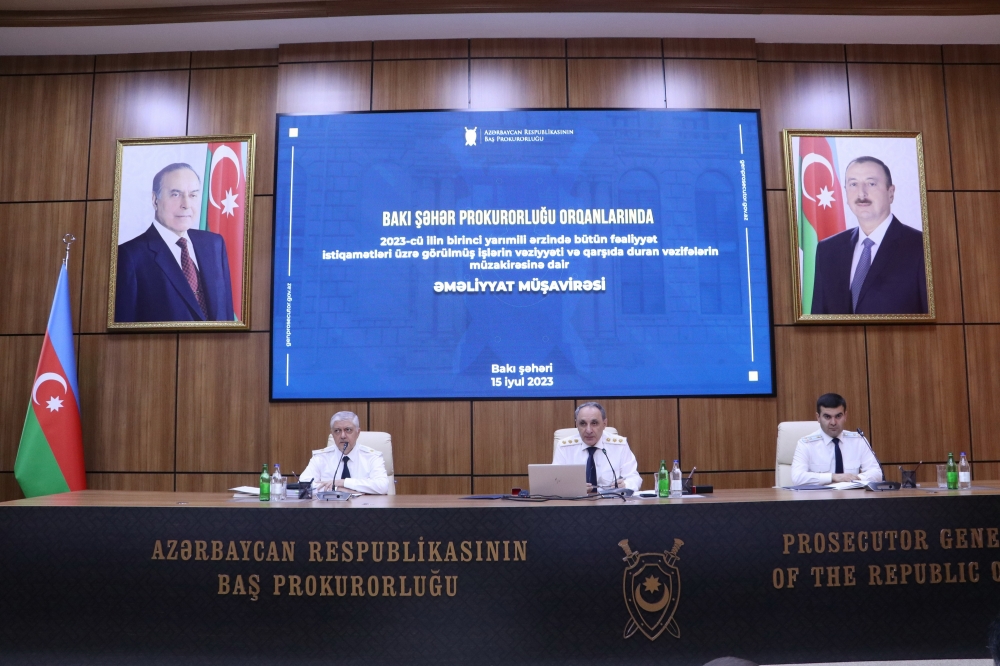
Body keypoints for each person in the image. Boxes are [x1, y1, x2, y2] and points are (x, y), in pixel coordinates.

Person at [115, 163, 235, 322]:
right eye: (175, 194)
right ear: (155, 200)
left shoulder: (214, 244)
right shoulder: (130, 256)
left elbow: (226, 315)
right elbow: (124, 326)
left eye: (193, 195)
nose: (186, 204)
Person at [810, 156, 927, 315]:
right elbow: (818, 320)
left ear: (891, 192)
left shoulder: (921, 247)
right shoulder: (828, 250)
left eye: (871, 183)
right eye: (853, 184)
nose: (861, 193)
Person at [791, 393, 882, 486]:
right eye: (827, 417)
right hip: (820, 495)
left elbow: (877, 473)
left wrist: (857, 478)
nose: (833, 422)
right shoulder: (806, 444)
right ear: (818, 417)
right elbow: (797, 477)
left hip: (852, 494)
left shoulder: (858, 440)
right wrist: (833, 477)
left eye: (838, 416)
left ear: (845, 416)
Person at [552, 402, 642, 492]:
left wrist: (625, 485)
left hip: (610, 499)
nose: (588, 430)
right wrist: (574, 488)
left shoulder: (619, 445)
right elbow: (555, 481)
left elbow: (634, 477)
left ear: (604, 424)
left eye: (594, 423)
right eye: (583, 423)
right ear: (576, 425)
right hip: (577, 499)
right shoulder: (564, 447)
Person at [300, 411, 390, 495]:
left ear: (358, 433)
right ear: (332, 434)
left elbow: (382, 486)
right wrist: (337, 489)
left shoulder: (372, 457)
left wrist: (344, 482)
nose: (343, 436)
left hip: (364, 506)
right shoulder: (320, 458)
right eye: (337, 431)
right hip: (329, 506)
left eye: (348, 430)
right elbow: (303, 486)